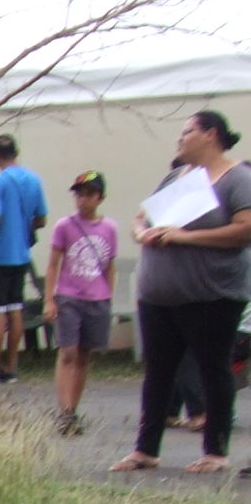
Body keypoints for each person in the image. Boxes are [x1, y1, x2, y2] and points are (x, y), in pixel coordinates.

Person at [113, 110, 251, 476]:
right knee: (158, 372)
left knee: (212, 368)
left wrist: (184, 236)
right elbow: (142, 217)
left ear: (210, 135)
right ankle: (145, 450)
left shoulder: (237, 178)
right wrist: (142, 233)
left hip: (211, 295)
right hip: (160, 295)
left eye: (187, 132)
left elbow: (244, 229)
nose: (180, 139)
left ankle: (215, 451)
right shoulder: (178, 176)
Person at [43, 170, 117, 435]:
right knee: (68, 352)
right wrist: (50, 300)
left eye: (89, 195)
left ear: (100, 198)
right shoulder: (65, 226)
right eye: (79, 195)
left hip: (96, 297)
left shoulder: (109, 228)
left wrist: (108, 295)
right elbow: (53, 265)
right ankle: (63, 411)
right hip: (69, 296)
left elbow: (109, 265)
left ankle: (73, 409)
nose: (83, 200)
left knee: (84, 355)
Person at [0, 134, 47, 383]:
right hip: (21, 254)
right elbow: (41, 219)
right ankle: (10, 366)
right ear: (17, 152)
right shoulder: (33, 180)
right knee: (15, 309)